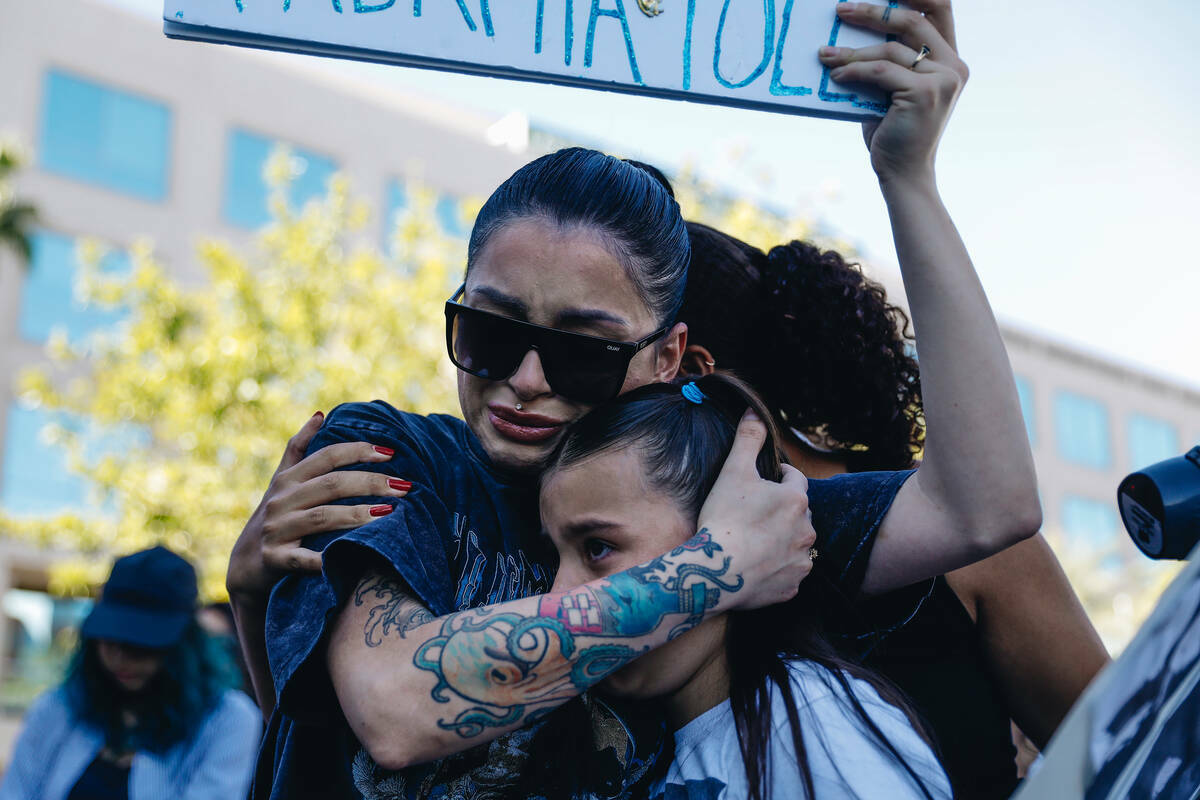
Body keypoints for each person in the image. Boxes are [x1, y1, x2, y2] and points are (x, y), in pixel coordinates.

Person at [227, 2, 1041, 796]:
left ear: (668, 357)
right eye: (491, 333)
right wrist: (712, 571)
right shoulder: (392, 455)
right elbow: (395, 711)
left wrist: (909, 177)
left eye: (582, 351)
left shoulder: (704, 495)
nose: (528, 379)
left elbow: (987, 508)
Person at [677, 222, 1110, 798]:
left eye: (592, 348)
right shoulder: (654, 554)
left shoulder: (968, 546)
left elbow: (1134, 757)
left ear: (686, 366)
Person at [539, 373, 953, 800]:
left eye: (598, 547)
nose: (556, 594)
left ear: (731, 531)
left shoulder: (811, 727)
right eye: (554, 557)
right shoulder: (641, 750)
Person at [0, 546, 260, 800]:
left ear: (183, 646)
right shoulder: (60, 707)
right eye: (109, 639)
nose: (121, 657)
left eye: (141, 644)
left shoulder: (227, 719)